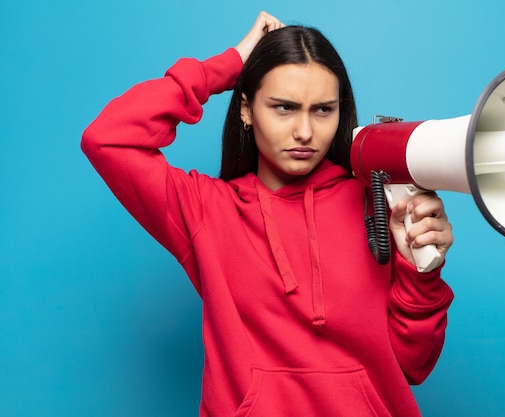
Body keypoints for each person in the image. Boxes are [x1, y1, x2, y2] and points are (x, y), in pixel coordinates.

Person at [81, 11, 454, 417]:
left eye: (323, 110)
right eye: (284, 108)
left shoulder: (377, 206)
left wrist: (421, 271)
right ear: (246, 109)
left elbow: (413, 365)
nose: (305, 132)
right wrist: (230, 65)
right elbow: (109, 138)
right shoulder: (205, 209)